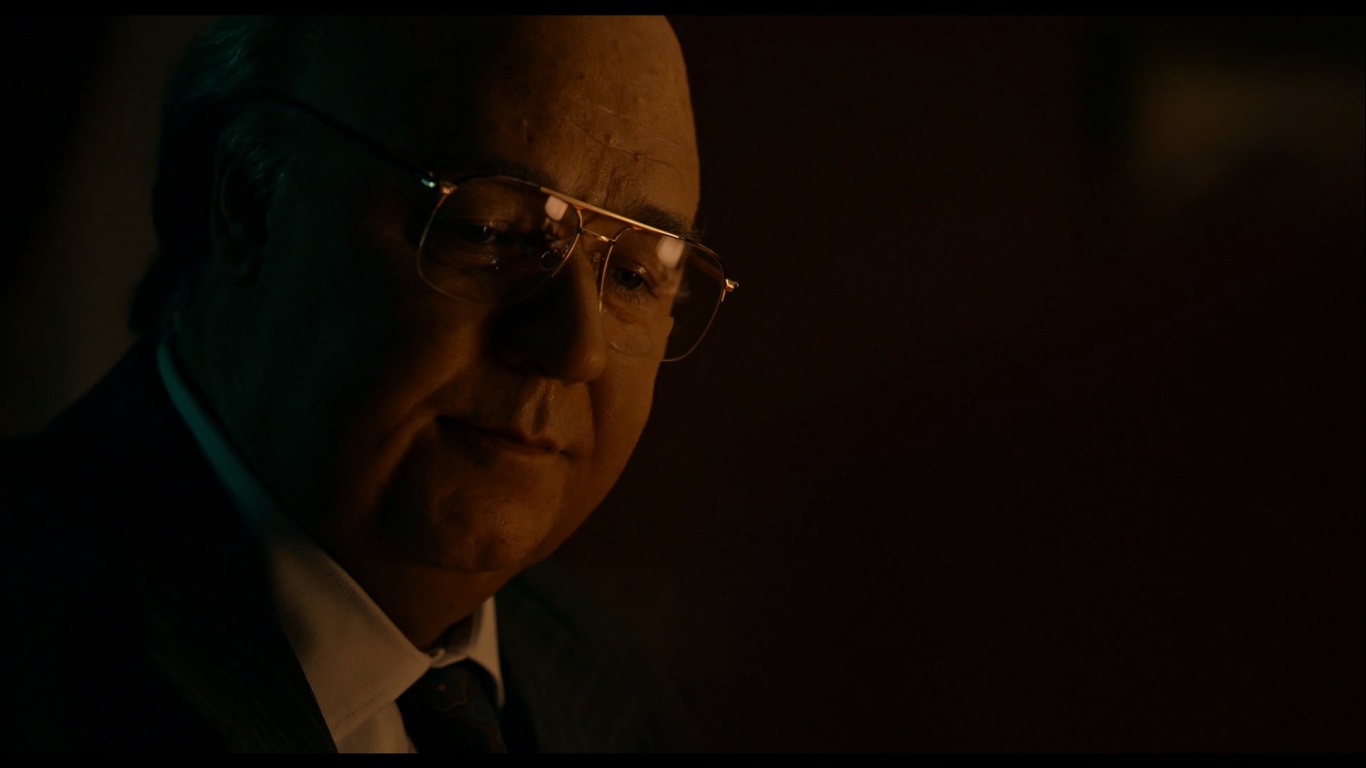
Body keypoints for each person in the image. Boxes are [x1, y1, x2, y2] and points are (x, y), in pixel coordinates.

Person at [0, 15, 735, 753]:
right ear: (248, 204)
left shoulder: (617, 696)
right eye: (483, 229)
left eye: (634, 275)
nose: (576, 350)